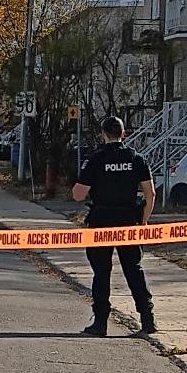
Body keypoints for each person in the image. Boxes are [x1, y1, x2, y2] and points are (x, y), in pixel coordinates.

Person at [71, 115, 156, 337]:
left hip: (101, 222)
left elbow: (78, 195)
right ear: (123, 134)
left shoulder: (96, 160)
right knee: (134, 270)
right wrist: (144, 221)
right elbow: (150, 193)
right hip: (129, 221)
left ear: (103, 134)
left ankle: (100, 323)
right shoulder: (136, 158)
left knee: (101, 272)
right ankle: (147, 320)